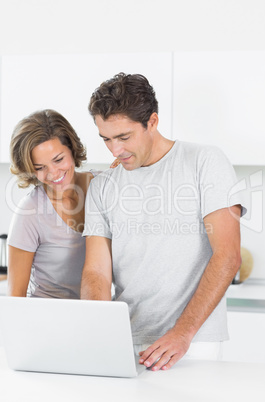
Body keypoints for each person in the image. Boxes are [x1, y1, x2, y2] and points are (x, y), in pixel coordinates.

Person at [81, 73, 246, 371]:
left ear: (152, 122)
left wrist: (182, 334)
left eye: (124, 137)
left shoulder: (205, 162)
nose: (115, 150)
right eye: (106, 139)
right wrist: (97, 334)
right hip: (125, 340)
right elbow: (96, 272)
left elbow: (228, 256)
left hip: (192, 344)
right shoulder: (102, 186)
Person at [7, 109, 100, 298]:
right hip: (46, 317)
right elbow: (15, 297)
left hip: (94, 313)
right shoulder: (30, 211)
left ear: (72, 149)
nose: (53, 174)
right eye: (40, 168)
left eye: (58, 160)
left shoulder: (102, 188)